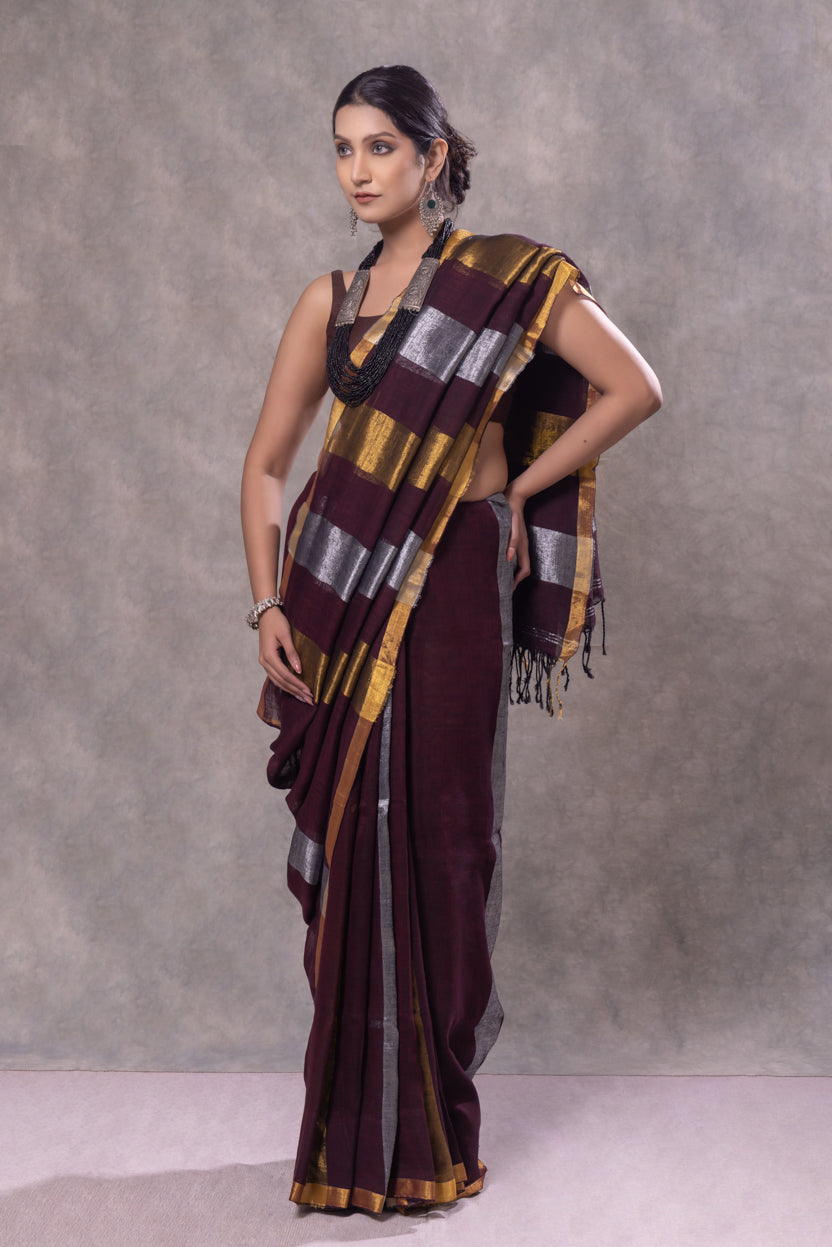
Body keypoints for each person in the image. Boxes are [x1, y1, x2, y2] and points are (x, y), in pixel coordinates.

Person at [241, 64, 661, 1215]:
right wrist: (267, 603)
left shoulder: (503, 281)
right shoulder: (328, 302)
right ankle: (345, 1148)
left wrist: (515, 490)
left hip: (456, 582)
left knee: (446, 841)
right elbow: (266, 465)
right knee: (353, 850)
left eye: (381, 147)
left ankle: (432, 1138)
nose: (358, 170)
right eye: (343, 148)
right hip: (334, 596)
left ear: (432, 158)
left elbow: (632, 387)